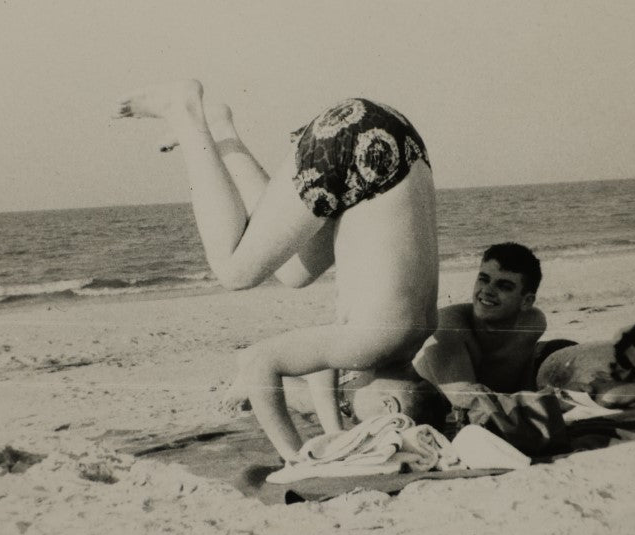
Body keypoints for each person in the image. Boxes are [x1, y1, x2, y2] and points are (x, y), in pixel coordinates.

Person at [116, 82, 438, 461]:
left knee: (294, 272)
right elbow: (258, 361)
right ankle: (186, 114)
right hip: (355, 149)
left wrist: (334, 433)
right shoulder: (371, 344)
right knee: (234, 271)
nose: (353, 417)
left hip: (388, 147)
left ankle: (222, 134)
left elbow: (324, 359)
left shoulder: (412, 332)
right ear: (390, 412)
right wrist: (296, 457)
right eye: (357, 419)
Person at [406, 243, 549, 413]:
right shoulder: (447, 326)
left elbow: (524, 387)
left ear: (526, 301)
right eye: (483, 279)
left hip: (493, 404)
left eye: (503, 286)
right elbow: (465, 401)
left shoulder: (532, 324)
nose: (487, 291)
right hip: (428, 409)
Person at [536, 317, 635, 408]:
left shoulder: (630, 353)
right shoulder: (604, 366)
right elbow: (607, 397)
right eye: (624, 362)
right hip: (542, 359)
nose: (624, 372)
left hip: (560, 356)